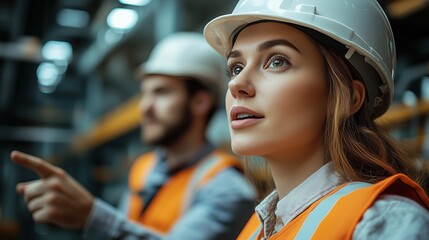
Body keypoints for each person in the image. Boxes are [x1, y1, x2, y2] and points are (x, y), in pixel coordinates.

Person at [203, 0, 429, 239]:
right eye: (236, 67)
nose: (236, 84)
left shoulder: (383, 222)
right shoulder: (255, 231)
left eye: (277, 61)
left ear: (350, 98)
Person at [11, 32, 256, 240]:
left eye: (161, 93)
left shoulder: (227, 189)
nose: (145, 107)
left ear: (200, 101)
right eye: (144, 94)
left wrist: (91, 217)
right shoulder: (144, 167)